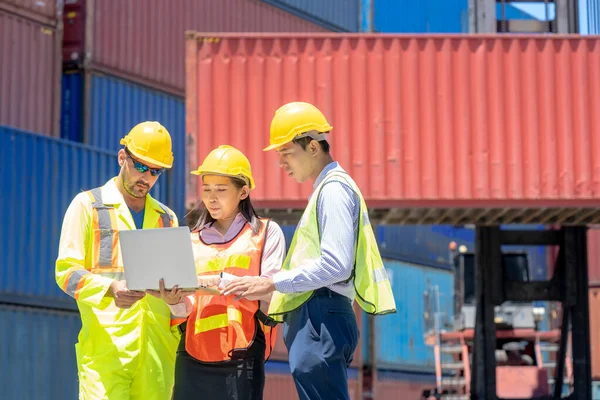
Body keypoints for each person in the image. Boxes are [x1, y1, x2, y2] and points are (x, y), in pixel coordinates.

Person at [222, 102, 396, 400]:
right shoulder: (328, 190)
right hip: (321, 315)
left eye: (287, 153)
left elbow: (336, 265)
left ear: (313, 147)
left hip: (320, 316)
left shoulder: (333, 191)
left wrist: (273, 282)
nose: (281, 163)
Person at [55, 121, 181, 400]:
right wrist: (109, 289)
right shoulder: (87, 205)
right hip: (106, 353)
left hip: (156, 356)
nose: (146, 177)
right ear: (122, 157)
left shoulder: (166, 218)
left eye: (156, 171)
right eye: (140, 166)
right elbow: (66, 273)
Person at [151, 144, 286, 400]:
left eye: (221, 190)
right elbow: (186, 310)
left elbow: (274, 293)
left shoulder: (266, 233)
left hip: (242, 354)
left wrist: (222, 282)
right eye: (207, 189)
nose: (211, 198)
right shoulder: (190, 241)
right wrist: (174, 301)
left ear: (243, 191)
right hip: (192, 354)